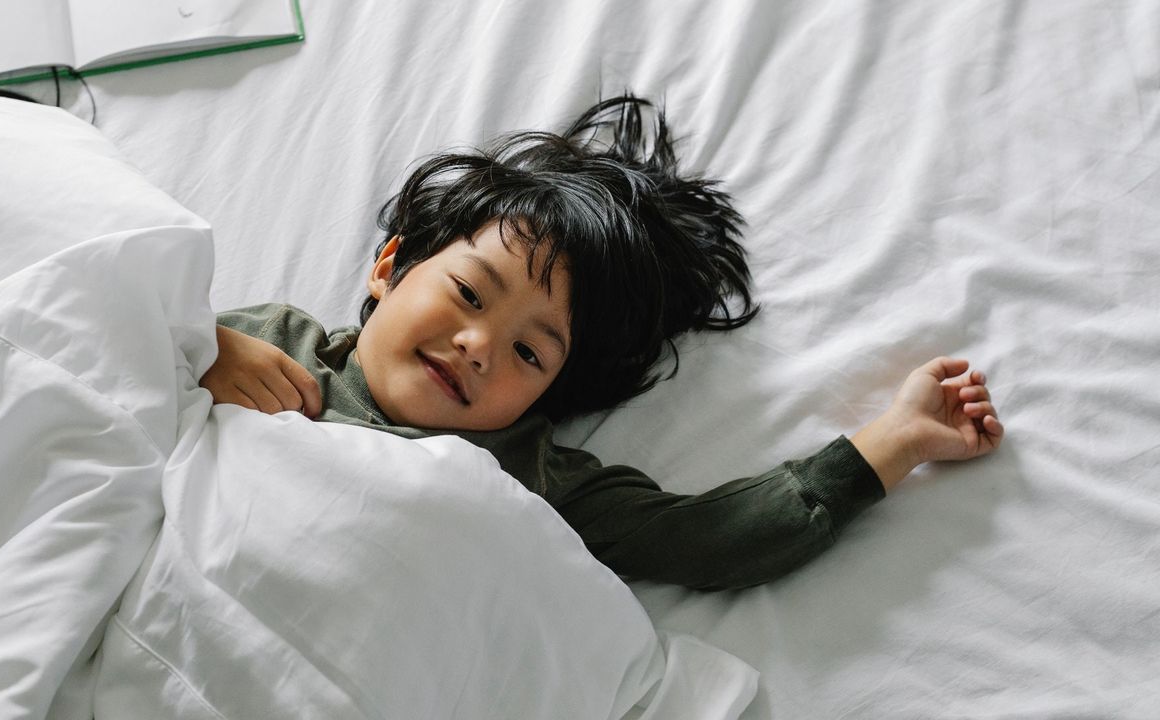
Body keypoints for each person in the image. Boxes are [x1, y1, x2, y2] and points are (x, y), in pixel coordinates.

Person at [201, 95, 1004, 590]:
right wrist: (195, 349)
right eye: (469, 293)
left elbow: (707, 539)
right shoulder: (269, 340)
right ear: (390, 264)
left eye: (530, 354)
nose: (479, 345)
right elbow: (93, 348)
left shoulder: (533, 473)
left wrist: (893, 442)